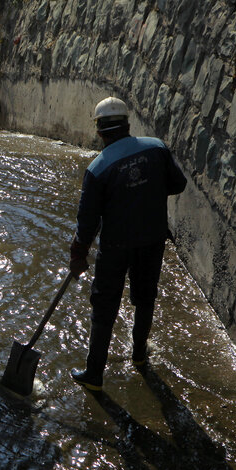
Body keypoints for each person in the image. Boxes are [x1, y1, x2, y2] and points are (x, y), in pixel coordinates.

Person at [69, 97, 187, 390]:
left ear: (99, 132)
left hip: (115, 247)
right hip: (152, 239)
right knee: (145, 296)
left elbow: (87, 222)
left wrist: (78, 254)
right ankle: (139, 356)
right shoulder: (156, 148)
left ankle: (94, 374)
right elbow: (178, 184)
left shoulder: (98, 169)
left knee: (104, 304)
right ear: (127, 124)